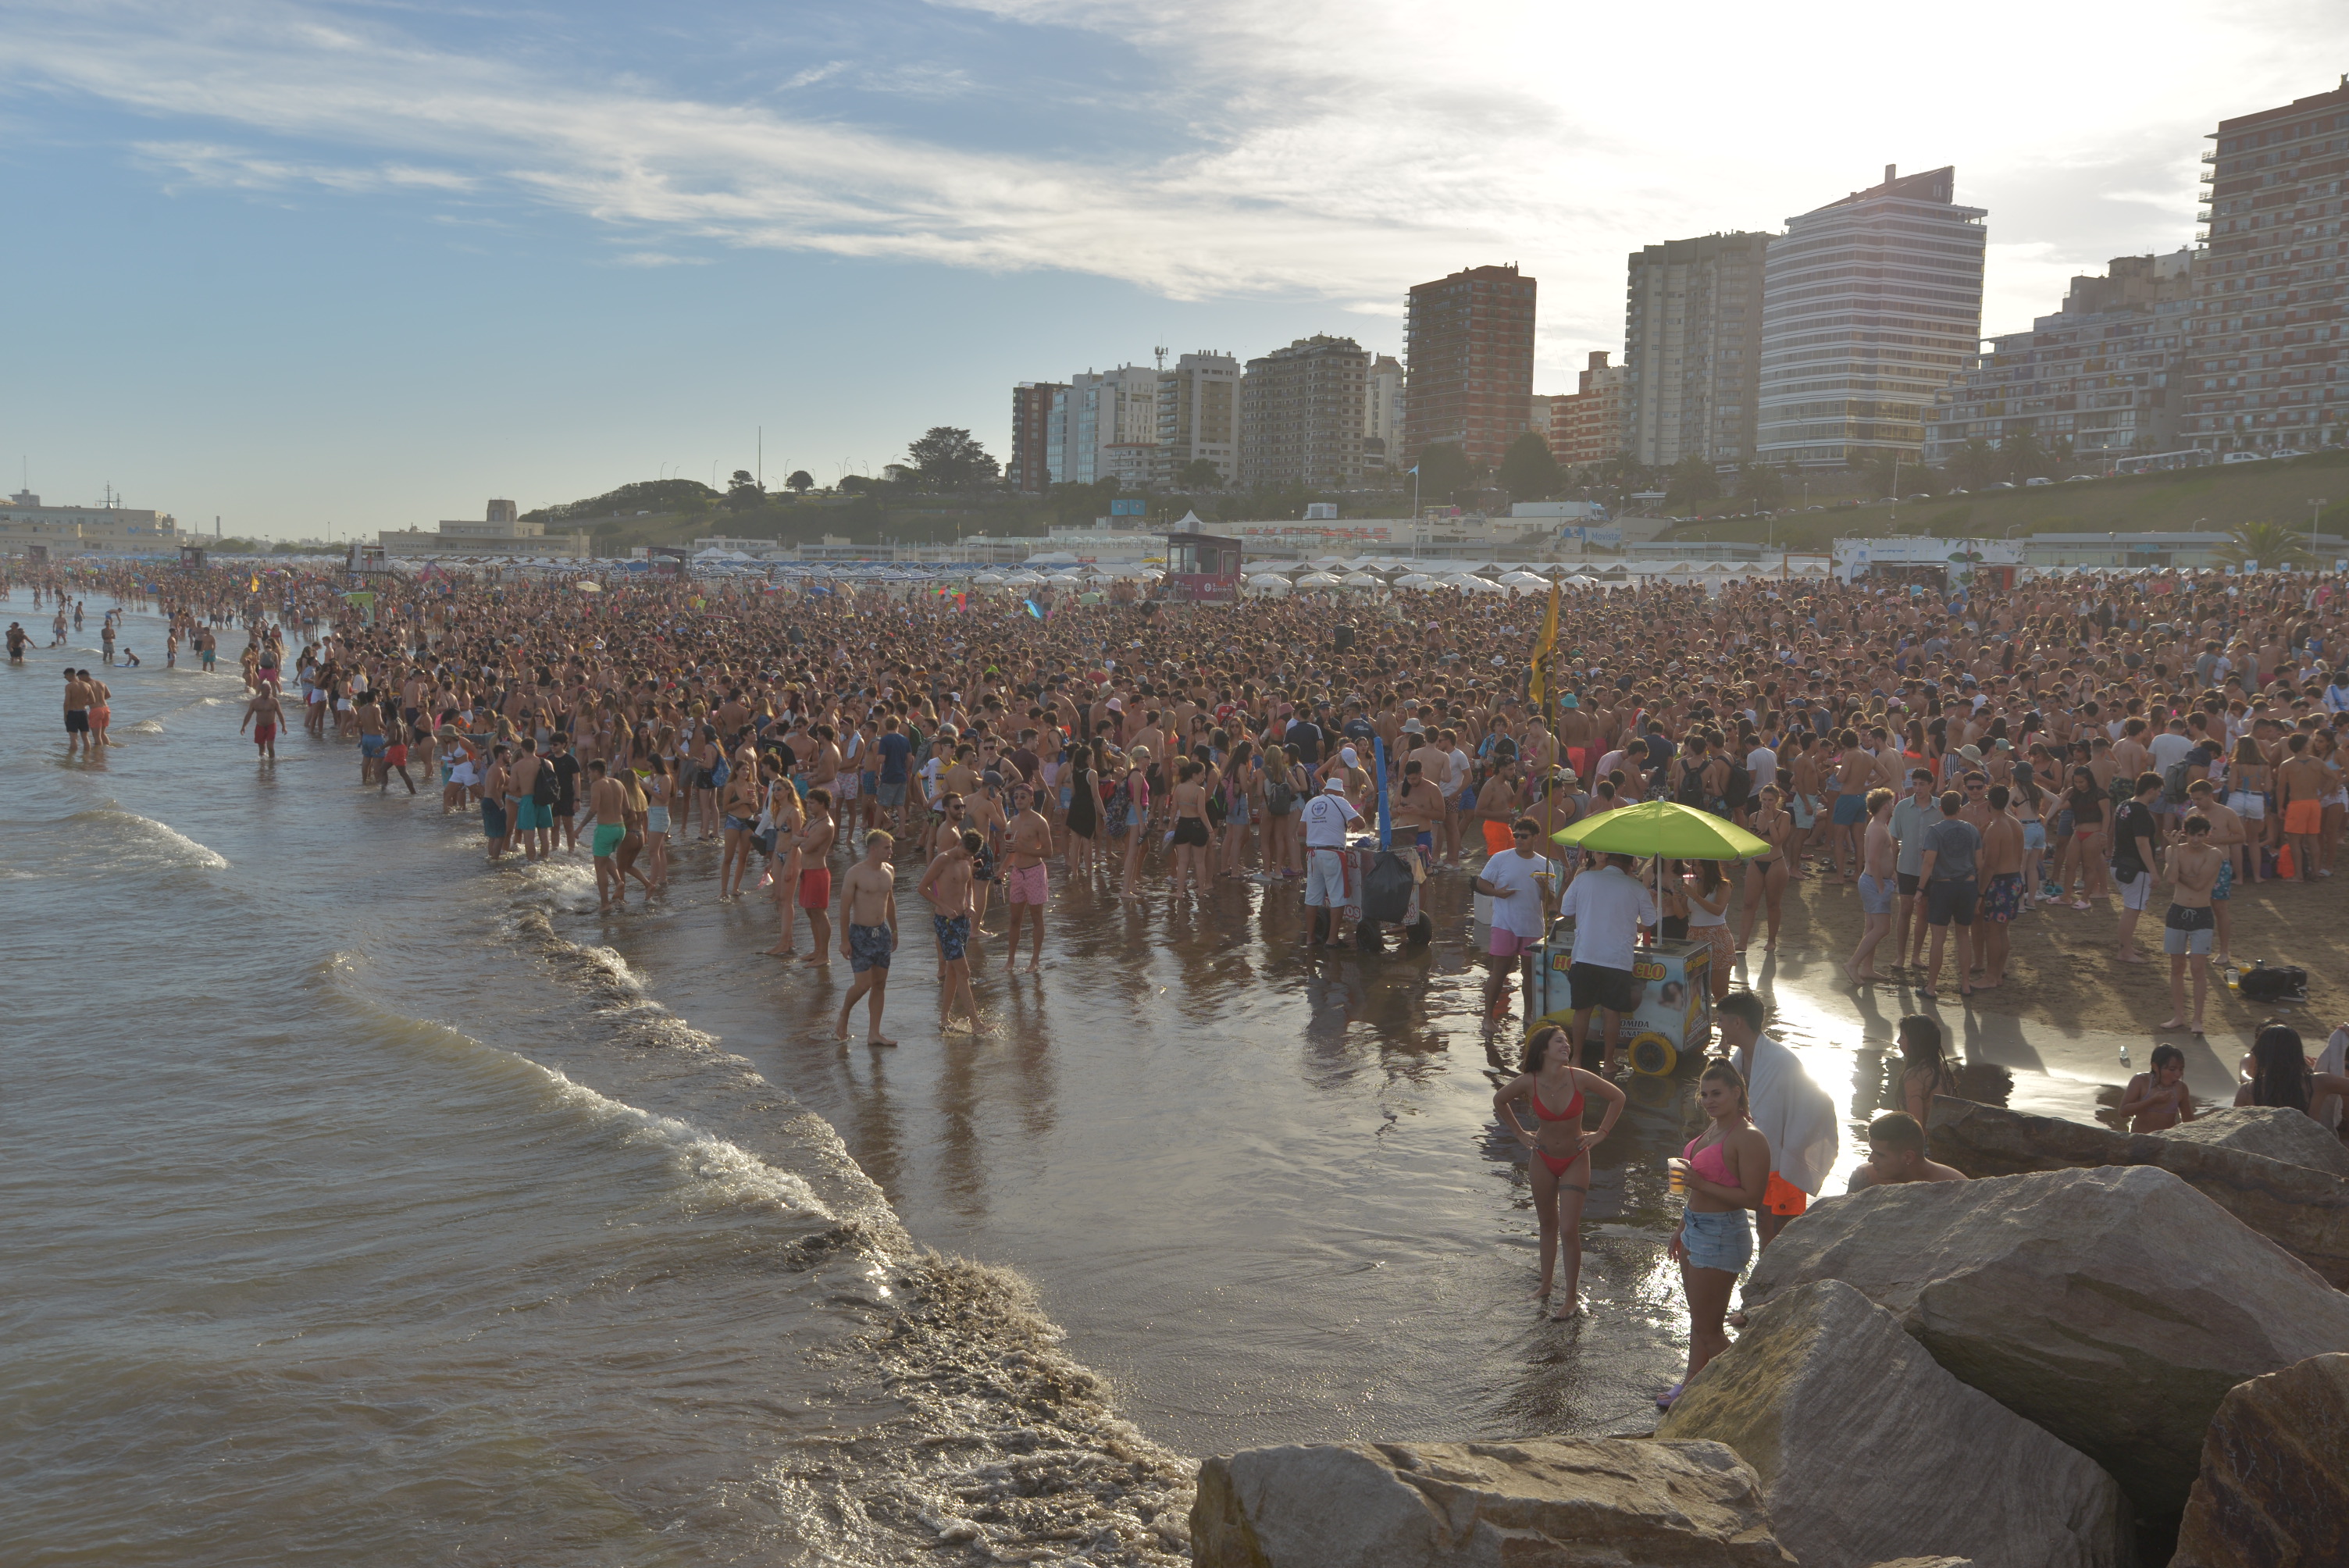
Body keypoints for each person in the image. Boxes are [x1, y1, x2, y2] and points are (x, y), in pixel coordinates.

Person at [1492, 1023, 1626, 1320]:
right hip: (1542, 1157)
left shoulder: (1579, 1077)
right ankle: (1545, 1286)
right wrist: (1520, 1134)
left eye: (1567, 1041)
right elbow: (1499, 1100)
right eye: (1559, 1041)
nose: (1566, 1045)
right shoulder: (1529, 1081)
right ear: (1543, 1049)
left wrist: (1601, 1133)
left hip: (1575, 1158)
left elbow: (1618, 1097)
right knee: (1547, 1225)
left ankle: (1571, 1298)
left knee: (1568, 1229)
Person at [1662, 1058, 1770, 1409]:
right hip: (1695, 1227)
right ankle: (1692, 1382)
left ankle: (1751, 1394)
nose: (1709, 1100)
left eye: (1717, 1093)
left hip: (1722, 1233)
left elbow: (1753, 1198)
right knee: (1700, 1319)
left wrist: (1699, 1182)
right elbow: (1695, 1190)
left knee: (1710, 1330)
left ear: (1737, 1093)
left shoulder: (1749, 1138)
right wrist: (1681, 1228)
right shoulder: (1713, 1129)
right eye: (1704, 1094)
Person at [1716, 990, 1836, 1247]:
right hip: (1759, 1159)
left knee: (1784, 1231)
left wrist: (1793, 1143)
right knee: (1763, 1225)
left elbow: (1820, 1103)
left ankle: (1784, 1271)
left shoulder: (1782, 1061)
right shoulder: (1740, 1058)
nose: (1718, 1027)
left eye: (1721, 1020)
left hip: (1784, 1160)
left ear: (1737, 1022)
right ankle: (1764, 1272)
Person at [1552, 850, 1657, 1074]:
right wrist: (1629, 923)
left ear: (1608, 860)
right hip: (1617, 960)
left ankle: (1576, 1060)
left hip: (1585, 955)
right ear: (1630, 865)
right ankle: (1609, 1063)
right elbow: (1649, 922)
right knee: (1612, 1012)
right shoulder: (1636, 887)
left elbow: (1566, 910)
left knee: (1582, 1010)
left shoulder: (1584, 878)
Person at [1476, 816, 1556, 1034]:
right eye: (1516, 835)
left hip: (1532, 925)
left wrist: (1544, 887)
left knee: (1529, 975)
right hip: (1504, 923)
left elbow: (1550, 902)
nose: (1519, 839)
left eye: (1524, 836)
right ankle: (1487, 1018)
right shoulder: (1501, 858)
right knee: (1499, 972)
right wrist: (1497, 893)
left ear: (1535, 838)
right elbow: (1481, 882)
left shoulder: (1545, 864)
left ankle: (1528, 1014)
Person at [2158, 814, 2221, 1034]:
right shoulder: (2173, 850)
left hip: (2202, 913)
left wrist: (2177, 873)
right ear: (2185, 833)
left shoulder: (2214, 854)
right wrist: (2175, 850)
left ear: (2207, 834)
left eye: (2201, 836)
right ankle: (2179, 1016)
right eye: (2192, 835)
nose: (2196, 840)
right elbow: (2170, 879)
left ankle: (2197, 1019)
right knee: (2176, 967)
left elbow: (2199, 884)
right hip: (2177, 911)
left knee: (2198, 968)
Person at [1916, 789, 1980, 1000]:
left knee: (1938, 939)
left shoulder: (1935, 831)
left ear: (1941, 809)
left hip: (1944, 886)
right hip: (1967, 886)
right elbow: (1979, 862)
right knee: (1963, 936)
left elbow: (1929, 863)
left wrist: (1920, 889)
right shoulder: (1972, 830)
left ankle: (1931, 986)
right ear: (1959, 809)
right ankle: (1965, 984)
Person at [918, 827, 982, 1033]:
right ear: (959, 844)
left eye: (970, 855)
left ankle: (944, 1019)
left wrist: (971, 905)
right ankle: (976, 1023)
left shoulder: (969, 860)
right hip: (945, 922)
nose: (966, 857)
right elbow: (922, 888)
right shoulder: (942, 860)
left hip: (963, 921)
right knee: (964, 972)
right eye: (964, 853)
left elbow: (969, 887)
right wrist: (943, 906)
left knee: (954, 971)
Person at [2236, 1021, 2349, 1122]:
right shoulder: (2319, 1082)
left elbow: (2233, 1126)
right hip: (2310, 1139)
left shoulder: (2247, 1091)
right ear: (2298, 1053)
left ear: (2260, 1055)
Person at [1301, 776, 1363, 947]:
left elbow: (1301, 830)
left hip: (1313, 853)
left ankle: (1310, 938)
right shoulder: (1341, 801)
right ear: (1340, 792)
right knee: (1337, 898)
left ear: (1326, 790)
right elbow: (1361, 823)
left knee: (1312, 898)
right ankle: (1332, 939)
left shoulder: (1311, 803)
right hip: (1332, 853)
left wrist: (1319, 830)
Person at [1842, 786, 1896, 985]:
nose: (1893, 805)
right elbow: (1872, 859)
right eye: (1891, 802)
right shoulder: (1878, 828)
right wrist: (1881, 885)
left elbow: (1881, 856)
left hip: (1873, 881)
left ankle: (1867, 968)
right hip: (1874, 882)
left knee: (1872, 927)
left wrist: (1891, 874)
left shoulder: (1879, 825)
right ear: (1885, 806)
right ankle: (1853, 964)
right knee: (1882, 928)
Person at [2110, 772, 2162, 964]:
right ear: (2151, 790)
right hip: (2135, 868)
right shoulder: (2140, 812)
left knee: (2131, 909)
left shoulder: (2124, 805)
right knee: (2132, 910)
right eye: (2158, 791)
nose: (2159, 795)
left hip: (2120, 863)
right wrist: (2154, 872)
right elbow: (2142, 844)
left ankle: (2127, 947)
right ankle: (2124, 951)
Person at [1000, 781, 1051, 975]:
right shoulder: (1012, 822)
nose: (1019, 800)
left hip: (1035, 872)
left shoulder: (1039, 822)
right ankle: (1010, 960)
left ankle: (1035, 960)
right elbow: (1012, 851)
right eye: (1016, 797)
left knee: (1037, 918)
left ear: (1031, 799)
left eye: (1023, 796)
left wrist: (1023, 848)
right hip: (1017, 873)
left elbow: (1048, 851)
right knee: (1014, 919)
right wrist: (1003, 868)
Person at [1846, 1111, 1968, 1189]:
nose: (1870, 1159)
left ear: (1908, 1157)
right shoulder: (1865, 1178)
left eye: (1880, 1155)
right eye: (1872, 1151)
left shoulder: (1954, 1186)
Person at [793, 788, 838, 966]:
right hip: (807, 871)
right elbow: (797, 838)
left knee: (819, 912)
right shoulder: (814, 822)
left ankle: (824, 955)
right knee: (810, 912)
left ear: (822, 804)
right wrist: (803, 839)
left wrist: (802, 840)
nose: (808, 806)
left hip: (818, 873)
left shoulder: (826, 825)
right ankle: (817, 950)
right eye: (808, 802)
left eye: (812, 803)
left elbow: (806, 847)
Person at [1895, 1013, 1959, 1126]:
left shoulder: (1914, 1076)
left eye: (1902, 1037)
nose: (1898, 1041)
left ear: (1916, 1042)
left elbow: (1916, 1124)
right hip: (1943, 1131)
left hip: (1925, 1134)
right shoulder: (1941, 1068)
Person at [2120, 1043, 2199, 1132]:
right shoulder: (2141, 1081)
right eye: (2172, 1069)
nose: (2178, 1074)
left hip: (2165, 1138)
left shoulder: (2181, 1088)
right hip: (2140, 1137)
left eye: (2181, 1069)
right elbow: (2123, 1112)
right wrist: (2152, 1101)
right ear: (2155, 1067)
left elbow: (2188, 1120)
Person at [585, 759, 629, 913]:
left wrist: (580, 827)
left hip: (605, 829)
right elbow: (627, 809)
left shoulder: (597, 785)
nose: (588, 775)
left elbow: (593, 809)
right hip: (620, 828)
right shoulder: (619, 783)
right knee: (604, 858)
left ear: (596, 772)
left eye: (589, 772)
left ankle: (604, 904)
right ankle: (618, 882)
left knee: (600, 867)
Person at [240, 682, 285, 760]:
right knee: (261, 748)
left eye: (270, 690)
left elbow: (280, 714)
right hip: (260, 726)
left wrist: (284, 726)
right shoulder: (255, 702)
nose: (269, 692)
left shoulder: (274, 701)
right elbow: (248, 715)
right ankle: (262, 765)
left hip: (271, 725)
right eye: (268, 690)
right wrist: (244, 726)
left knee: (270, 747)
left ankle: (272, 763)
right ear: (262, 690)